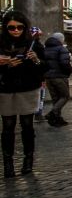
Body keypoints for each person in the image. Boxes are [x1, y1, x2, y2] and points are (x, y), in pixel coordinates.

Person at [0, 12, 45, 177]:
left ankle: (28, 161)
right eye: (11, 27)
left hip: (27, 88)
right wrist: (4, 63)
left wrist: (36, 60)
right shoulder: (1, 43)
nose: (16, 30)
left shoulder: (33, 44)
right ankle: (8, 164)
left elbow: (45, 67)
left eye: (19, 27)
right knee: (8, 127)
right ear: (5, 28)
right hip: (5, 89)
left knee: (27, 125)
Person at [42, 32, 72, 127]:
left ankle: (57, 119)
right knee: (65, 96)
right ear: (61, 39)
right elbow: (65, 63)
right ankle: (52, 113)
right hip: (59, 76)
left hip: (48, 77)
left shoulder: (45, 49)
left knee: (56, 99)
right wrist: (70, 71)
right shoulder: (61, 49)